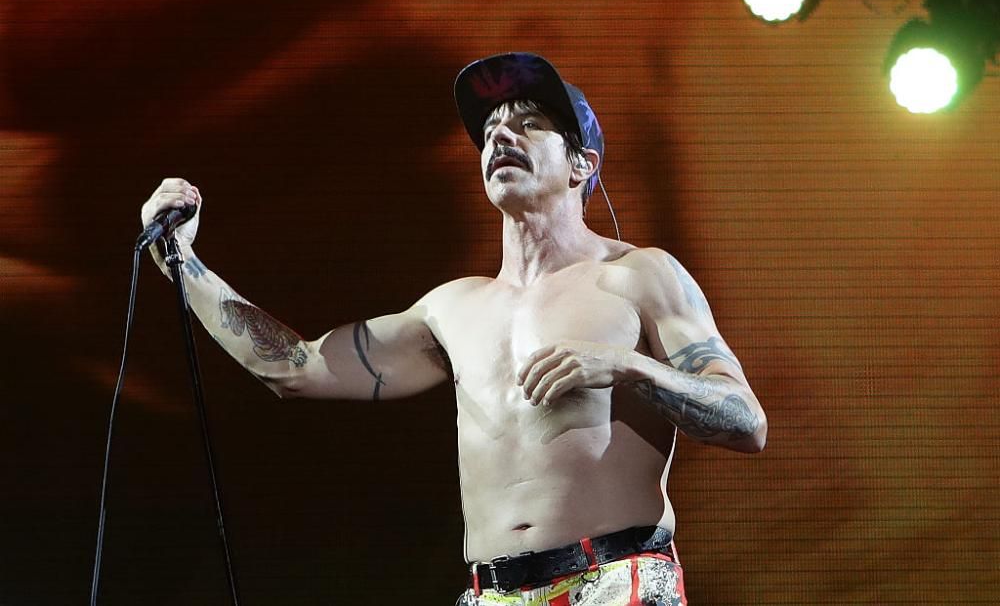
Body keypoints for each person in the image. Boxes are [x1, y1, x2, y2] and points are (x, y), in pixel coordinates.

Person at [140, 52, 767, 605]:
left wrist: (626, 365)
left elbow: (746, 421)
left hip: (613, 580)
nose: (502, 137)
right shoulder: (450, 308)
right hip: (490, 593)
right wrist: (181, 262)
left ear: (582, 165)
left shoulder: (638, 275)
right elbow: (294, 367)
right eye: (490, 131)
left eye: (530, 123)